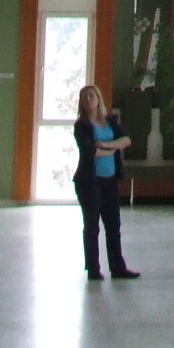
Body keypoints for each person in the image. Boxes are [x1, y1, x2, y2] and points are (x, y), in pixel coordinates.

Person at [72, 84, 138, 281]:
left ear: (98, 99)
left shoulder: (110, 121)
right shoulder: (81, 126)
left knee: (113, 225)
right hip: (89, 182)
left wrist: (107, 145)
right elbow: (91, 152)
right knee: (92, 225)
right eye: (85, 97)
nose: (88, 100)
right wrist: (112, 149)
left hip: (110, 180)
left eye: (91, 96)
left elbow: (126, 140)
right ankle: (93, 269)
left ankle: (118, 267)